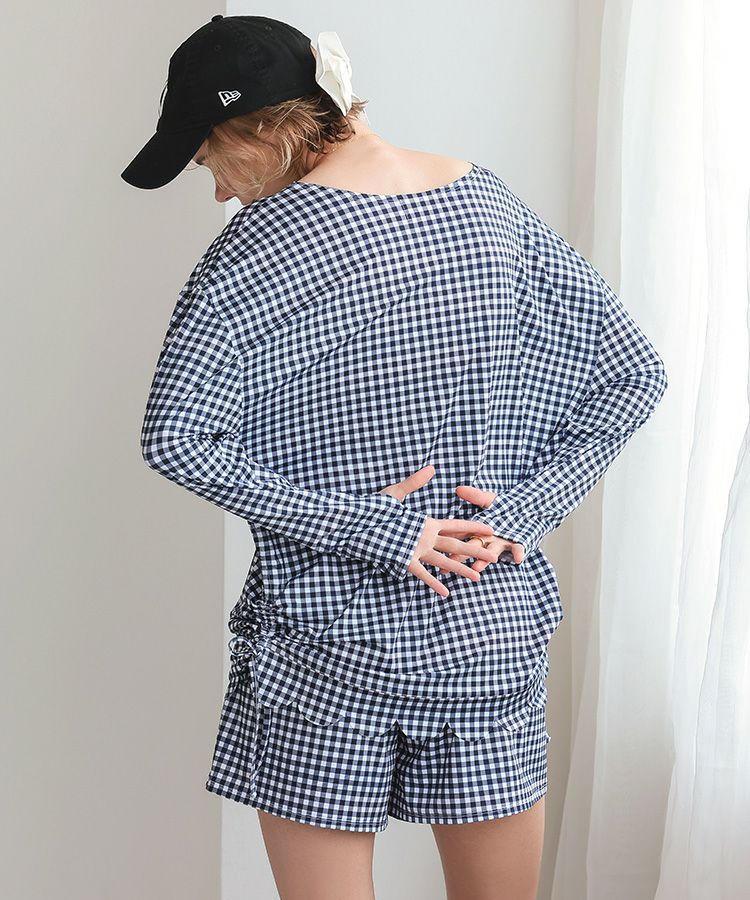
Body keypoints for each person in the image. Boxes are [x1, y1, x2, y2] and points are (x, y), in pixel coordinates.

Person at [122, 15, 668, 900]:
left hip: (325, 643)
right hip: (485, 624)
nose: (219, 190)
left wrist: (377, 527)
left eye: (212, 160)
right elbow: (632, 374)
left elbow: (175, 438)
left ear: (263, 131)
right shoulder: (487, 203)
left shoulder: (255, 250)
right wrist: (519, 515)